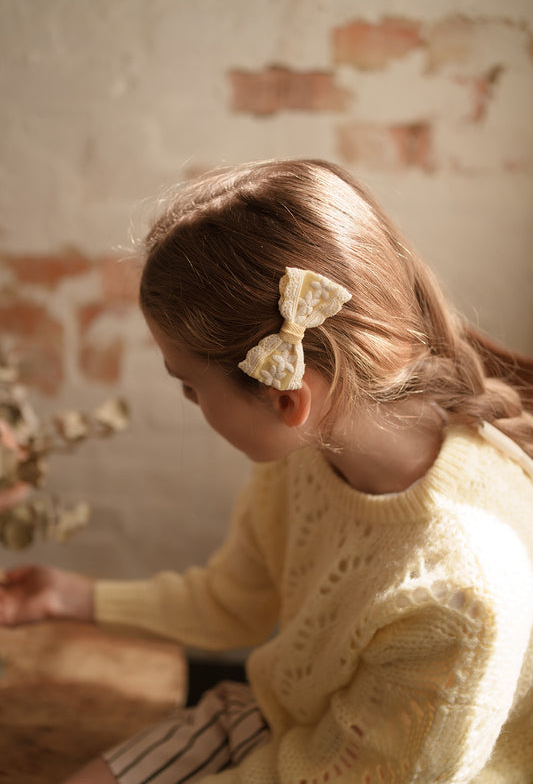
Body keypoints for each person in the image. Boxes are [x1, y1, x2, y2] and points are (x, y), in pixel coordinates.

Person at [1, 158, 533, 784]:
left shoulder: (462, 590)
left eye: (190, 388)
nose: (191, 405)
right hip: (281, 720)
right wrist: (71, 597)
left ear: (286, 396)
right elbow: (235, 603)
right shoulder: (311, 448)